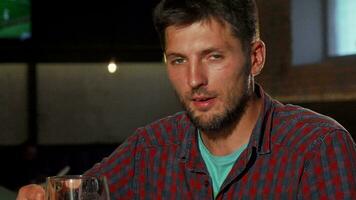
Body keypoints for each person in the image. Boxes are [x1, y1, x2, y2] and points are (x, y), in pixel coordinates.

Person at [17, 0, 356, 199]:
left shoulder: (318, 147)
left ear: (255, 58)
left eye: (213, 57)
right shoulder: (148, 149)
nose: (194, 80)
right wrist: (39, 194)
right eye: (178, 60)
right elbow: (76, 190)